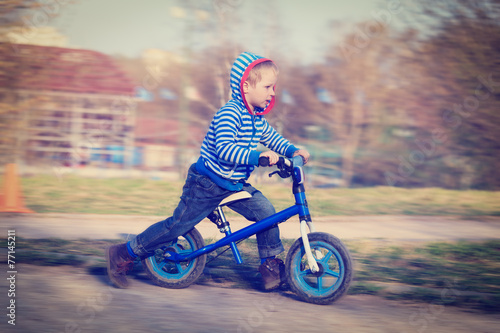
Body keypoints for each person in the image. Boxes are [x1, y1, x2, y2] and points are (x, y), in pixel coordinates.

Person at [106, 52, 310, 290]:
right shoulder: (229, 113)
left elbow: (273, 138)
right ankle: (124, 253)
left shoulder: (257, 119)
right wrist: (258, 156)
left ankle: (271, 268)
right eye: (267, 86)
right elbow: (225, 149)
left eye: (274, 87)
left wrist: (293, 150)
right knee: (177, 226)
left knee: (266, 211)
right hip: (207, 183)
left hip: (233, 184)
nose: (273, 92)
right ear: (246, 86)